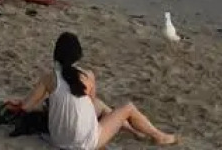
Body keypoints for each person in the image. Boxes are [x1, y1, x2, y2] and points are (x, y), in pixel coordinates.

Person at [10, 32, 176, 148]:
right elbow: (89, 105)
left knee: (100, 105)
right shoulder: (87, 76)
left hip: (58, 139)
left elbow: (26, 107)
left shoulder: (49, 78)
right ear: (78, 55)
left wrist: (17, 104)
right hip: (84, 143)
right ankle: (158, 136)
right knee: (128, 108)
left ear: (56, 55)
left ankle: (133, 130)